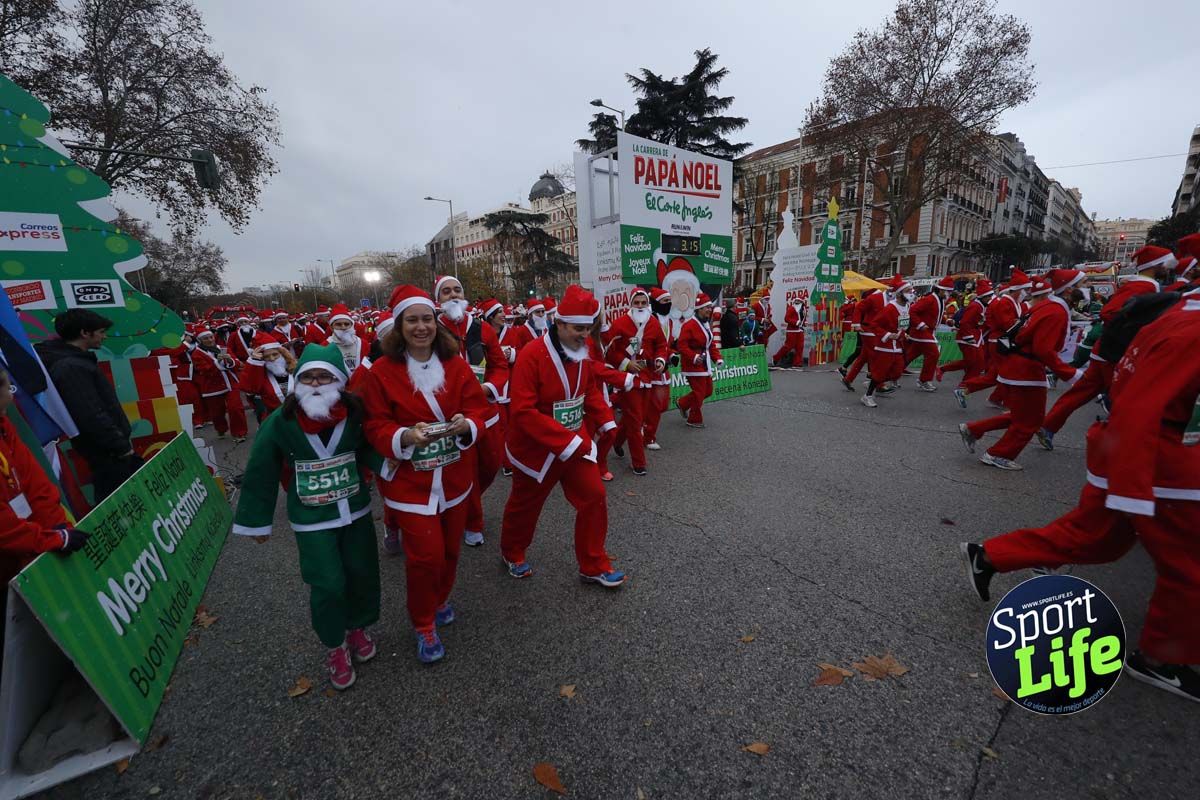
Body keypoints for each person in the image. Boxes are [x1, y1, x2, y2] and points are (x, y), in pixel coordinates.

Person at [961, 284, 1200, 702]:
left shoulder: (1175, 319)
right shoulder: (1187, 325)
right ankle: (1160, 658)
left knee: (1096, 540)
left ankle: (991, 553)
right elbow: (1138, 402)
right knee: (1189, 569)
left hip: (1134, 455)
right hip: (1153, 464)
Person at [232, 344, 384, 689]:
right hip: (312, 518)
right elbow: (261, 468)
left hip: (355, 510)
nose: (316, 383)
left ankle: (357, 627)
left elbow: (371, 448)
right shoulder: (281, 420)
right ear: (298, 380)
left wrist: (396, 469)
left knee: (361, 573)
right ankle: (334, 643)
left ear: (339, 381)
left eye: (324, 376)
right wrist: (257, 520)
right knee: (327, 582)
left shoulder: (354, 412)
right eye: (309, 376)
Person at [358, 286, 491, 662]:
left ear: (437, 322)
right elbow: (374, 424)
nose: (421, 327)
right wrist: (403, 436)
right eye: (412, 320)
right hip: (410, 482)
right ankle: (422, 623)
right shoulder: (382, 371)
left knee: (449, 552)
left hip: (453, 476)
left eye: (427, 319)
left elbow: (477, 408)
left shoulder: (456, 363)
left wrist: (468, 424)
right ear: (399, 326)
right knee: (425, 557)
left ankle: (440, 598)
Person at [499, 284, 625, 588]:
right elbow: (523, 411)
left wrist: (606, 420)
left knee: (594, 496)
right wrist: (569, 441)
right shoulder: (531, 355)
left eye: (588, 328)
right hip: (535, 447)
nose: (584, 335)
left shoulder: (582, 350)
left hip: (574, 440)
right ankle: (512, 551)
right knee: (525, 506)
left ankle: (593, 564)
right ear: (559, 323)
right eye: (577, 328)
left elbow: (590, 388)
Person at [1036, 245, 1174, 451]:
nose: (1168, 269)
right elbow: (1111, 313)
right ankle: (1121, 445)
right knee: (1127, 398)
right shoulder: (1146, 287)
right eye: (1166, 265)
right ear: (1156, 265)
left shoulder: (1136, 286)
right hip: (1118, 353)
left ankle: (1048, 426)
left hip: (1104, 350)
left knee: (1080, 394)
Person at [958, 271, 1085, 470]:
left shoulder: (1045, 307)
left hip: (1018, 366)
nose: (1084, 290)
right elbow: (1043, 349)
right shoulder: (1054, 311)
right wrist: (1070, 374)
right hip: (1027, 370)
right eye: (1080, 285)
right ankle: (997, 454)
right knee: (1031, 420)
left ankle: (974, 429)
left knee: (1022, 416)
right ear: (1068, 289)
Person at [35, 309, 142, 503]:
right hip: (107, 451)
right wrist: (119, 445)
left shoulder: (76, 361)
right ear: (85, 333)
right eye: (101, 331)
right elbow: (90, 413)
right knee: (116, 501)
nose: (104, 336)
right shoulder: (70, 367)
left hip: (109, 449)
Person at [433, 275, 508, 547]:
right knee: (465, 470)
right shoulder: (432, 330)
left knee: (490, 465)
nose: (453, 295)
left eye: (457, 290)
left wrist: (489, 387)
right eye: (446, 292)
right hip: (453, 416)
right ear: (437, 300)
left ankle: (468, 504)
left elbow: (500, 365)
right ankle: (472, 521)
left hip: (486, 410)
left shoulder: (483, 329)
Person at [605, 287, 668, 476]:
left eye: (643, 303)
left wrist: (660, 360)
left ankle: (617, 441)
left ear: (648, 304)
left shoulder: (654, 323)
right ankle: (638, 463)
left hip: (648, 376)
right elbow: (610, 350)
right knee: (635, 421)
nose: (640, 306)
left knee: (634, 417)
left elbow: (661, 345)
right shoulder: (619, 323)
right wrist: (626, 364)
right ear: (631, 304)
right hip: (628, 379)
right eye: (636, 303)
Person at [956, 271, 1031, 409]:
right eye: (1026, 289)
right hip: (999, 342)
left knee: (998, 374)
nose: (1027, 292)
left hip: (1002, 341)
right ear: (1018, 289)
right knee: (1004, 373)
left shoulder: (1014, 303)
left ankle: (979, 393)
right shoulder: (1004, 303)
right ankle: (982, 393)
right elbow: (1007, 324)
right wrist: (1022, 324)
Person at [860, 276, 912, 408]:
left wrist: (904, 334)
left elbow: (902, 325)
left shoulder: (907, 306)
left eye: (911, 291)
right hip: (885, 347)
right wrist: (888, 335)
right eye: (908, 291)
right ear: (900, 293)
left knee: (897, 372)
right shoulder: (890, 308)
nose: (911, 294)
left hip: (898, 346)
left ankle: (875, 381)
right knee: (880, 372)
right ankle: (868, 395)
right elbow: (874, 324)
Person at [190, 327, 249, 442]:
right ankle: (221, 429)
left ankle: (239, 433)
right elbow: (205, 370)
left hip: (230, 383)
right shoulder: (197, 354)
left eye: (211, 337)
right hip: (212, 388)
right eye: (206, 338)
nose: (210, 340)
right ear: (200, 340)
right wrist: (218, 362)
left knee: (235, 408)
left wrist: (230, 361)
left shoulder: (223, 348)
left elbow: (237, 364)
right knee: (217, 413)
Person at [676, 293, 724, 429]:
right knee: (699, 393)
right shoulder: (689, 325)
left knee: (708, 390)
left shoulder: (705, 324)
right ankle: (694, 418)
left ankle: (683, 403)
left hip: (704, 363)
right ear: (699, 309)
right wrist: (694, 357)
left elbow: (710, 344)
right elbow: (682, 346)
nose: (710, 309)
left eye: (710, 307)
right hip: (693, 365)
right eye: (706, 307)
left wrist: (718, 358)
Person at [938, 279, 992, 387]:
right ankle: (959, 379)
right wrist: (969, 337)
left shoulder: (980, 305)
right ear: (983, 297)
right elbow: (965, 322)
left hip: (975, 335)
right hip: (967, 336)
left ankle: (966, 383)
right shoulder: (975, 306)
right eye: (988, 296)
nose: (990, 298)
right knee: (972, 361)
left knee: (978, 362)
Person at [906, 277, 954, 391]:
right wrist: (920, 324)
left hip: (926, 332)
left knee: (909, 356)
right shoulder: (929, 299)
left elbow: (936, 315)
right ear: (941, 290)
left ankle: (887, 375)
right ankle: (924, 380)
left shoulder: (940, 300)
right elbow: (912, 310)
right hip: (922, 332)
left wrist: (946, 321)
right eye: (948, 291)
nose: (949, 294)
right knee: (934, 354)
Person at [237, 333, 296, 417]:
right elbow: (249, 388)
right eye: (266, 357)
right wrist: (254, 362)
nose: (272, 359)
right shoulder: (260, 375)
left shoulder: (296, 369)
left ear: (282, 353)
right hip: (273, 419)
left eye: (275, 354)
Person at [841, 286, 887, 391]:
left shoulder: (881, 299)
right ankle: (879, 384)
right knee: (876, 356)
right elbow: (858, 308)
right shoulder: (875, 299)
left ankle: (848, 378)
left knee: (863, 356)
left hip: (870, 329)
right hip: (868, 330)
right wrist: (856, 324)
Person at [325, 303, 371, 380]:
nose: (343, 327)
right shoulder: (325, 346)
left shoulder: (363, 344)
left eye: (346, 324)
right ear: (331, 327)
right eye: (338, 324)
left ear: (351, 325)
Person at [772, 296, 807, 368]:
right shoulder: (791, 308)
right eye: (796, 301)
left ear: (801, 302)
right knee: (788, 346)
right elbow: (786, 318)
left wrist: (804, 323)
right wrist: (796, 322)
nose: (797, 302)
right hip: (792, 330)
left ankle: (797, 363)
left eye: (799, 301)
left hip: (800, 330)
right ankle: (776, 358)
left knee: (800, 347)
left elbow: (803, 318)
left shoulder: (803, 309)